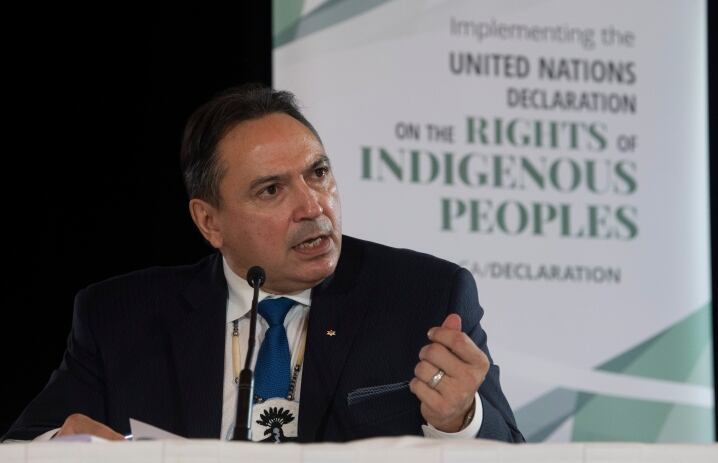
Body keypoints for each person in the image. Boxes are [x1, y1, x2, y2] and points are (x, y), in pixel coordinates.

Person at [3, 84, 523, 443]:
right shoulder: (121, 317)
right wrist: (65, 444)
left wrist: (459, 419)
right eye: (271, 189)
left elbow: (511, 447)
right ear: (210, 222)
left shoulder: (424, 297)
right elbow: (27, 443)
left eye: (318, 173)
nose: (313, 207)